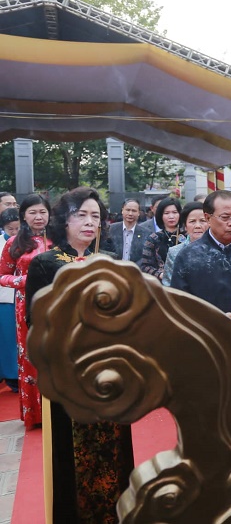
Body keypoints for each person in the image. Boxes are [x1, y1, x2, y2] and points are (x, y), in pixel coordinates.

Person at [26, 187, 133, 523]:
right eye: (81, 215)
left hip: (110, 370)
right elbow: (35, 321)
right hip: (68, 372)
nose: (89, 222)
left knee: (113, 448)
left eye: (95, 216)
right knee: (71, 452)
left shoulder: (112, 261)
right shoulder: (45, 263)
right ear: (64, 220)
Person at [171, 191, 231, 345]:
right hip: (206, 341)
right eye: (225, 217)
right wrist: (216, 319)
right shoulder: (188, 256)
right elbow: (178, 304)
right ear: (208, 218)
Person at [0, 194, 51, 429]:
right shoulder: (15, 243)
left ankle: (59, 410)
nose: (38, 217)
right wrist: (24, 281)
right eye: (33, 212)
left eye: (42, 212)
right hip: (26, 306)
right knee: (31, 357)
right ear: (23, 215)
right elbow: (2, 275)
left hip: (56, 303)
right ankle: (36, 414)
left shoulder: (59, 239)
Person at [162, 202, 209, 287]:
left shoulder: (219, 249)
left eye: (203, 221)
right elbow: (168, 285)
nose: (197, 226)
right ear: (185, 226)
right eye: (192, 221)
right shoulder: (175, 252)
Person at [140, 197, 183, 281]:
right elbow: (145, 266)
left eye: (175, 212)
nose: (171, 216)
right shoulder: (153, 238)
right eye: (166, 213)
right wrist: (161, 275)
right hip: (161, 284)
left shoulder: (186, 236)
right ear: (161, 216)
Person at [0, 209, 20, 392]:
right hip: (4, 296)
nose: (14, 232)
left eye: (17, 228)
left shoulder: (28, 242)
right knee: (7, 339)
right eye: (10, 229)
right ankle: (10, 375)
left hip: (23, 295)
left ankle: (17, 375)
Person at [108, 198, 153, 265]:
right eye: (128, 210)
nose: (130, 213)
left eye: (134, 211)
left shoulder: (147, 233)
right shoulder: (111, 229)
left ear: (138, 213)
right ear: (122, 211)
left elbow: (146, 257)